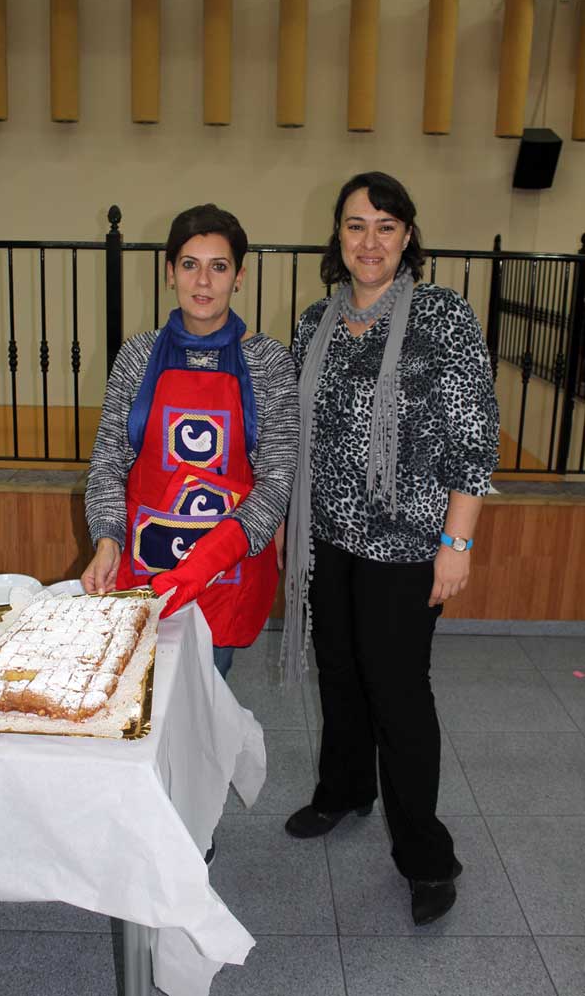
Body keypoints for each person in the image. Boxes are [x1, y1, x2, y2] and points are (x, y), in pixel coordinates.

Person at [281, 172, 499, 926]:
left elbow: (474, 440)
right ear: (336, 239)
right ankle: (344, 790)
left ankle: (427, 856)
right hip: (329, 536)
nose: (368, 241)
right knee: (339, 673)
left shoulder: (443, 317)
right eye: (354, 226)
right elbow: (297, 430)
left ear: (408, 236)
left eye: (384, 225)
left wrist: (456, 543)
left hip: (408, 546)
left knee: (398, 693)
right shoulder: (315, 322)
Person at [82, 203, 299, 682]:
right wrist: (106, 539)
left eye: (218, 267)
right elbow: (107, 464)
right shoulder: (137, 356)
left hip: (225, 577)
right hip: (141, 572)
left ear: (239, 276)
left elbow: (277, 481)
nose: (203, 282)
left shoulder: (267, 363)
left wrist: (203, 566)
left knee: (199, 712)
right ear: (169, 273)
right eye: (189, 265)